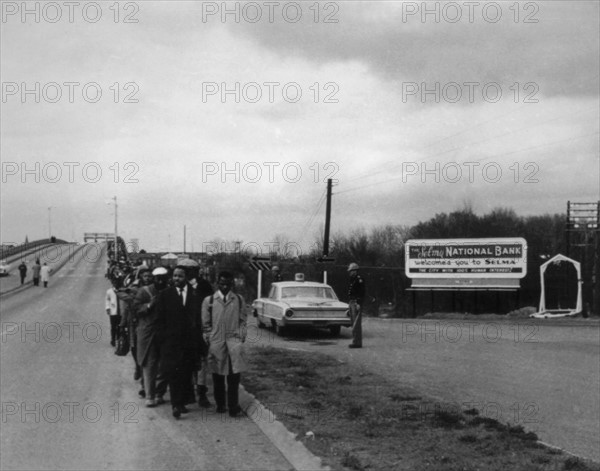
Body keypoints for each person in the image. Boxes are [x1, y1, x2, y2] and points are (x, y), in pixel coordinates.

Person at [156, 266, 207, 419]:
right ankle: (175, 405)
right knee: (173, 374)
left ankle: (182, 402)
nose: (176, 278)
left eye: (180, 276)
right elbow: (160, 320)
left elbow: (198, 320)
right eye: (175, 276)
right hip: (171, 343)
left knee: (186, 374)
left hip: (189, 343)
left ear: (186, 277)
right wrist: (163, 341)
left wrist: (199, 344)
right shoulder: (165, 295)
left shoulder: (195, 295)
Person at [202, 271, 248, 417]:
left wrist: (240, 337)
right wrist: (210, 338)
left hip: (233, 343)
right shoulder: (209, 301)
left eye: (228, 284)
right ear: (217, 283)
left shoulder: (239, 300)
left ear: (232, 284)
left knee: (234, 377)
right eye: (222, 283)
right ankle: (220, 404)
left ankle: (233, 406)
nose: (225, 287)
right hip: (217, 343)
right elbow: (205, 324)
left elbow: (243, 321)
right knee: (218, 376)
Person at [189, 269, 214, 408]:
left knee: (202, 361)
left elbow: (211, 306)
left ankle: (201, 392)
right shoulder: (179, 285)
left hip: (200, 329)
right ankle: (190, 391)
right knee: (188, 361)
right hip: (185, 330)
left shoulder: (204, 285)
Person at [347, 263, 366, 349]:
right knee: (353, 322)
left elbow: (361, 292)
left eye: (351, 271)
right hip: (352, 301)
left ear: (355, 271)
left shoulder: (359, 279)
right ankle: (355, 341)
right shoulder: (353, 279)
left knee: (356, 324)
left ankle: (357, 342)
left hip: (356, 302)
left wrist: (358, 303)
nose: (350, 273)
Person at [105, 281, 121, 347]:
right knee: (113, 326)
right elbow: (107, 300)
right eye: (115, 283)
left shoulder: (122, 291)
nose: (116, 284)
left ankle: (119, 338)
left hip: (120, 312)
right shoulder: (109, 291)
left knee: (120, 326)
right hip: (113, 312)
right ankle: (113, 339)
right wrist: (108, 307)